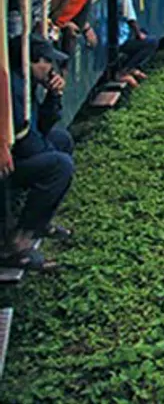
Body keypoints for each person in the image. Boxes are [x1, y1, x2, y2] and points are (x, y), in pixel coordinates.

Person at [0, 36, 75, 273]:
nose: (52, 70)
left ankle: (39, 222)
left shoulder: (27, 81)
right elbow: (25, 142)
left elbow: (42, 127)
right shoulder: (14, 87)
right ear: (33, 62)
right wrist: (46, 150)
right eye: (48, 64)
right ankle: (18, 242)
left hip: (19, 153)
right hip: (9, 161)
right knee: (60, 165)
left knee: (61, 139)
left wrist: (54, 96)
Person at [116, 0, 158, 86]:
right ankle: (125, 70)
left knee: (144, 34)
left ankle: (132, 67)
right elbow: (131, 20)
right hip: (120, 40)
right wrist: (139, 34)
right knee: (151, 42)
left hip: (119, 36)